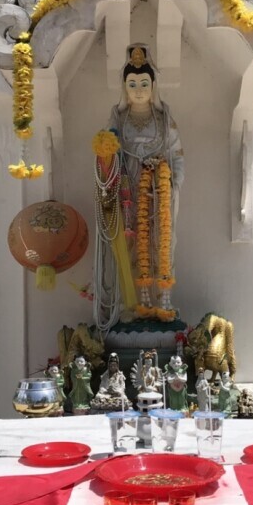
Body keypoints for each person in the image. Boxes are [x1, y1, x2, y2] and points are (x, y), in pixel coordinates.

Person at [94, 44, 184, 330]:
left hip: (159, 191)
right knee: (130, 244)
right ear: (124, 88)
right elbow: (107, 157)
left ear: (153, 86)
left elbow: (177, 153)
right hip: (128, 191)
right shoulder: (118, 119)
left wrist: (169, 180)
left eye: (144, 83)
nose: (138, 90)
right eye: (132, 84)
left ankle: (162, 301)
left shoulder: (164, 118)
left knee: (161, 241)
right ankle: (130, 304)